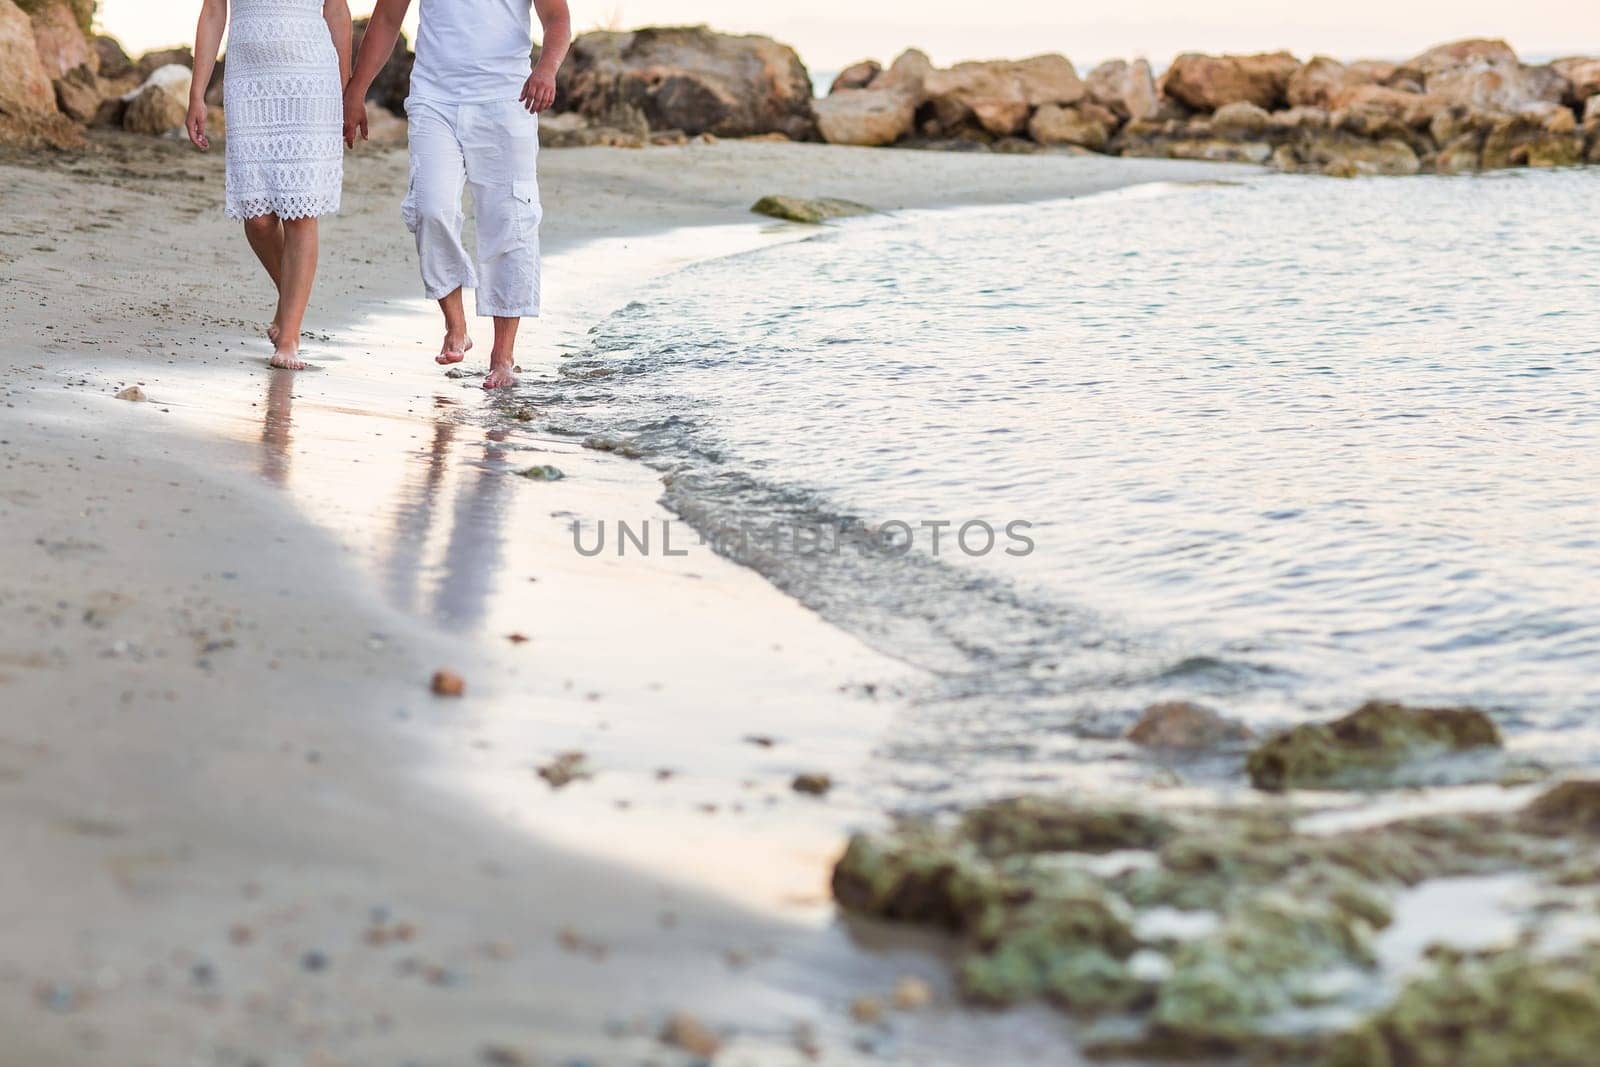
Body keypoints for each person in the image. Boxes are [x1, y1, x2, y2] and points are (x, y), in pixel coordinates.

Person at [344, 0, 572, 390]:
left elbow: (557, 18)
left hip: (507, 98)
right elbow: (386, 18)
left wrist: (546, 69)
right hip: (435, 99)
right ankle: (456, 323)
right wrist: (356, 90)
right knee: (431, 207)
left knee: (510, 222)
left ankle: (503, 357)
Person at [187, 0, 351, 371]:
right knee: (258, 218)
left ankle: (290, 336)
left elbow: (337, 11)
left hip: (311, 80)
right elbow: (213, 12)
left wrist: (344, 90)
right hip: (249, 82)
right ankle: (290, 300)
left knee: (301, 211)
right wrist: (197, 93)